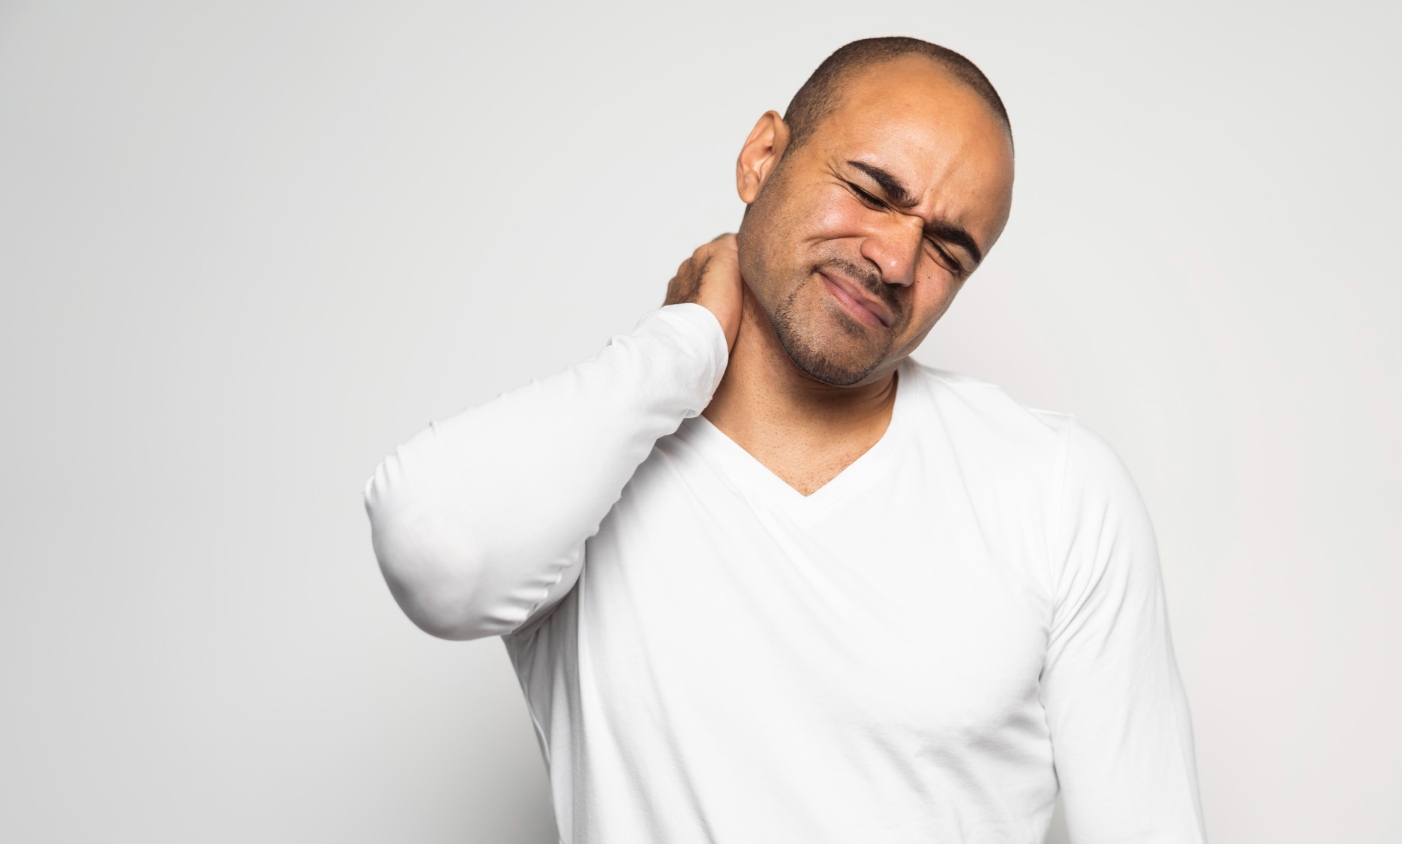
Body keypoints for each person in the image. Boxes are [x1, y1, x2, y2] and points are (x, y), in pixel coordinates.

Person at [365, 36, 1206, 844]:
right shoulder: (592, 469)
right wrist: (679, 347)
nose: (896, 259)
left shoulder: (1056, 489)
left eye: (949, 248)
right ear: (762, 156)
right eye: (875, 191)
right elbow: (436, 556)